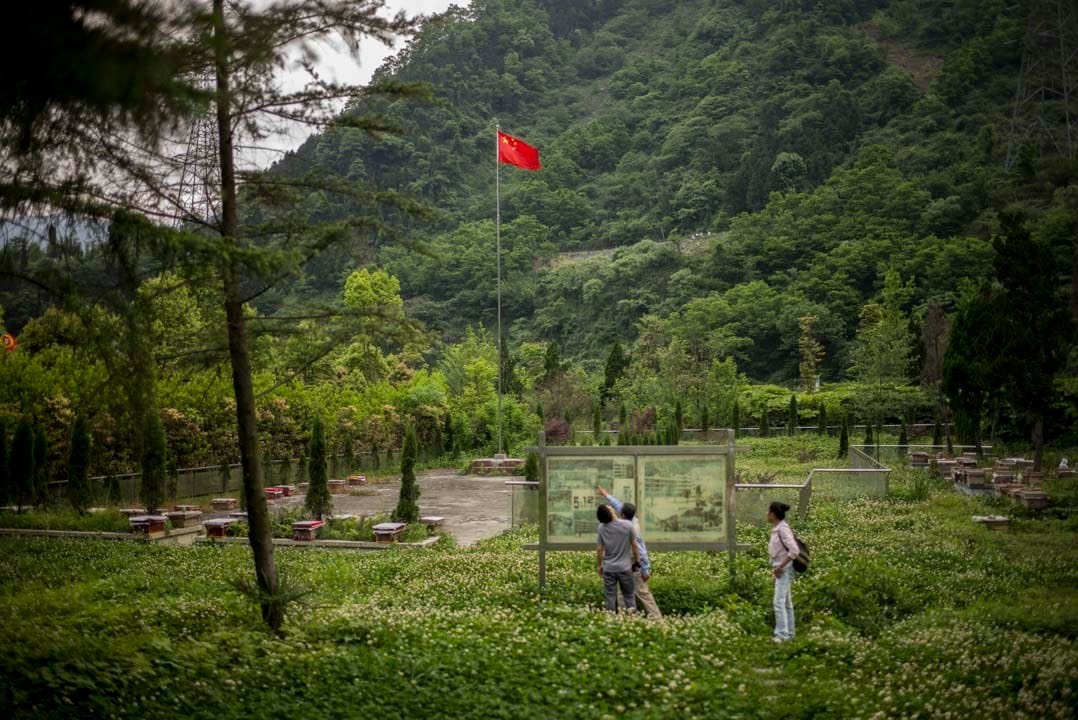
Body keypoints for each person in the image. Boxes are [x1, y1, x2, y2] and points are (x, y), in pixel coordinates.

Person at [597, 485, 662, 619]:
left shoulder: (630, 527)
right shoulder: (631, 520)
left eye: (619, 511)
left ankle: (657, 619)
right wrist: (606, 495)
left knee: (642, 592)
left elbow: (640, 551)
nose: (617, 510)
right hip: (625, 563)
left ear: (623, 514)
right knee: (623, 592)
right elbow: (618, 505)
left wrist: (644, 569)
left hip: (634, 563)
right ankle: (626, 619)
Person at [596, 503, 640, 613]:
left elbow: (599, 549)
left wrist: (599, 565)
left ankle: (611, 620)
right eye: (610, 508)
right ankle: (633, 620)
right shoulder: (627, 525)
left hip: (609, 568)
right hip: (625, 568)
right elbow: (634, 545)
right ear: (611, 512)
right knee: (629, 595)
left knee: (610, 596)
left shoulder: (601, 527)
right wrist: (637, 561)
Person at [768, 501, 799, 643]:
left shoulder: (782, 529)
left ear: (773, 514)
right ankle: (790, 634)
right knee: (786, 603)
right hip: (781, 570)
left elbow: (794, 551)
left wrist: (780, 567)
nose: (766, 514)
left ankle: (782, 635)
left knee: (778, 602)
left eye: (768, 512)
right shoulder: (778, 528)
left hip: (784, 570)